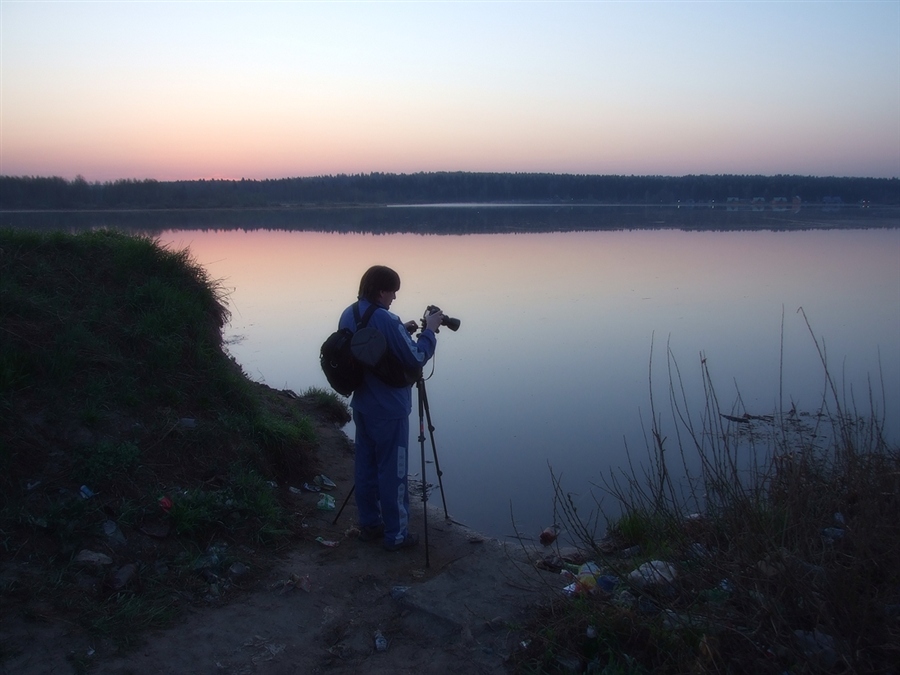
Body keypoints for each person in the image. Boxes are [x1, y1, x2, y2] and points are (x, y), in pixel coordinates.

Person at [339, 265, 444, 551]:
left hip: (362, 404)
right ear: (382, 290)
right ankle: (396, 536)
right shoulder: (387, 319)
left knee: (365, 466)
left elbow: (367, 349)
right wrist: (430, 331)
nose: (395, 298)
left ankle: (370, 524)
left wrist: (402, 331)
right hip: (389, 410)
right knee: (393, 472)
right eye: (393, 292)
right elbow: (416, 357)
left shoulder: (349, 314)